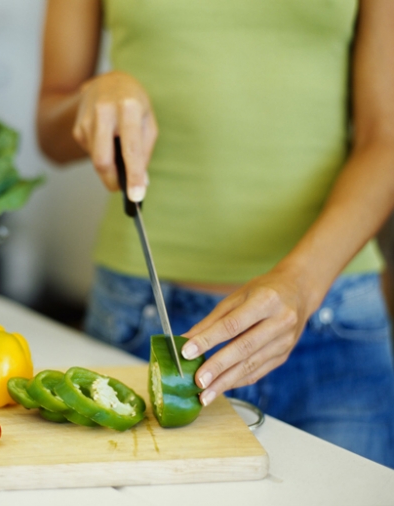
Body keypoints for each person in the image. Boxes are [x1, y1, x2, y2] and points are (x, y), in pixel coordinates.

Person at [35, 0, 394, 468]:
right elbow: (50, 129)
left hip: (331, 321)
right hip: (142, 317)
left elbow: (383, 136)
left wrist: (302, 284)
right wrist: (92, 97)